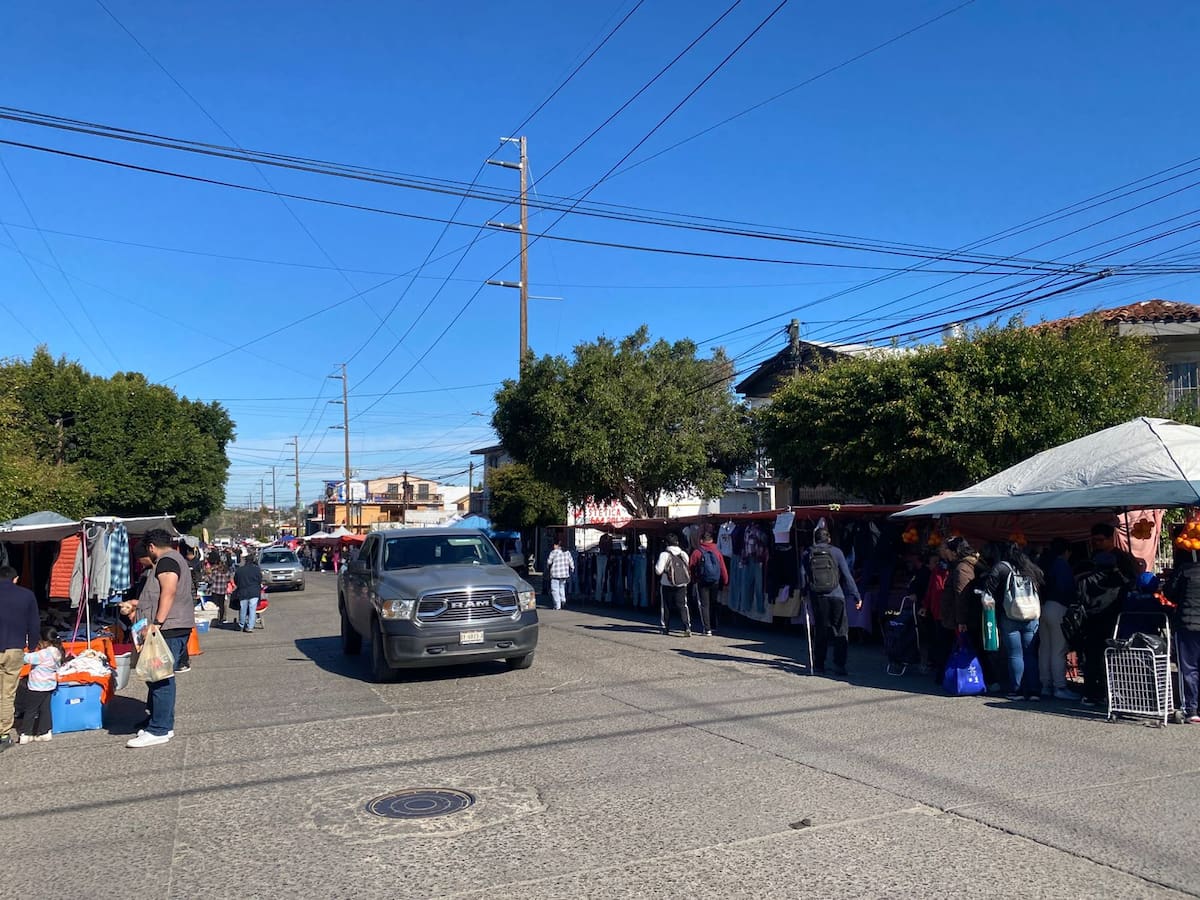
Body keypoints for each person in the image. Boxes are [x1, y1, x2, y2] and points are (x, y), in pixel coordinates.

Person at [120, 529, 194, 748]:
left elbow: (168, 591)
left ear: (151, 547)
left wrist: (157, 622)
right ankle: (159, 722)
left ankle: (160, 728)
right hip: (171, 626)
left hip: (168, 627)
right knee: (157, 677)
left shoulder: (166, 561)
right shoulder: (173, 559)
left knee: (160, 678)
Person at [1079, 523, 1138, 706]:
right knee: (1090, 655)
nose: (1096, 543)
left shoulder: (1123, 560)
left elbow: (1131, 583)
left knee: (1112, 654)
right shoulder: (1089, 559)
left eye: (1100, 540)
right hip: (1090, 615)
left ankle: (1110, 692)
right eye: (1094, 540)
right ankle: (1091, 692)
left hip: (1113, 615)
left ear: (1111, 538)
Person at [980, 542, 1043, 700]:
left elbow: (989, 590)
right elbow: (1042, 583)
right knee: (1030, 654)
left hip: (1010, 615)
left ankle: (1017, 690)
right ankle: (1034, 690)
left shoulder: (1001, 567)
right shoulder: (1030, 568)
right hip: (1031, 615)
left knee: (1015, 655)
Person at [801, 527, 860, 677]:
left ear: (815, 539)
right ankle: (839, 665)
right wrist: (856, 596)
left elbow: (803, 576)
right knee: (840, 630)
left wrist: (803, 593)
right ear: (829, 539)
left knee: (821, 630)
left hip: (818, 596)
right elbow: (847, 575)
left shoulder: (808, 553)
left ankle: (819, 664)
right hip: (837, 595)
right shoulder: (836, 552)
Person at [0, 564, 41, 753]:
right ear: (15, 579)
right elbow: (34, 624)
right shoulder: (26, 595)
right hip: (15, 648)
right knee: (7, 694)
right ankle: (3, 734)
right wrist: (32, 646)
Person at [1037, 538, 1081, 701]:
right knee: (1058, 649)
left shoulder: (1044, 562)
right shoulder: (1062, 565)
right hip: (1058, 607)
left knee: (1045, 649)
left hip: (1043, 607)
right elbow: (1066, 588)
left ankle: (1046, 685)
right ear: (1067, 551)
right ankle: (1059, 686)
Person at [939, 538, 981, 684]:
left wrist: (961, 620)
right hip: (963, 616)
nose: (946, 554)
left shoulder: (961, 568)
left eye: (948, 551)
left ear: (955, 552)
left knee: (964, 648)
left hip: (961, 618)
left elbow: (961, 595)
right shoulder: (966, 565)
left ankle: (964, 680)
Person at [1166, 547, 1200, 724]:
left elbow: (1169, 593)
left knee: (1189, 668)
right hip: (1189, 623)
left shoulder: (1185, 570)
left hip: (1187, 625)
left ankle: (1191, 709)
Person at [19, 626, 64, 743]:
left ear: (44, 641)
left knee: (31, 710)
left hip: (36, 686)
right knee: (45, 709)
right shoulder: (57, 652)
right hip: (49, 685)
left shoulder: (43, 654)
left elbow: (26, 659)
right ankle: (45, 731)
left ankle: (26, 734)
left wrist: (23, 651)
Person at [689, 529, 728, 636]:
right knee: (713, 603)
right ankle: (714, 625)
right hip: (715, 581)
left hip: (702, 581)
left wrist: (693, 579)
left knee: (704, 605)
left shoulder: (697, 552)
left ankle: (707, 629)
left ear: (702, 540)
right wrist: (725, 580)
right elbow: (722, 567)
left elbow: (691, 566)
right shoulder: (717, 551)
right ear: (712, 540)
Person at [655, 534, 692, 637]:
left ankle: (665, 627)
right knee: (683, 605)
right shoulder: (683, 554)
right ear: (677, 542)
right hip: (682, 584)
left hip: (667, 584)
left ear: (666, 543)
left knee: (666, 606)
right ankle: (687, 627)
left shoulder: (664, 554)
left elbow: (658, 571)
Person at [233, 552, 263, 632]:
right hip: (254, 591)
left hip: (243, 592)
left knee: (243, 609)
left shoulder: (240, 570)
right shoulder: (256, 569)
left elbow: (236, 581)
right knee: (252, 610)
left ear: (245, 560)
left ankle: (241, 625)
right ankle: (250, 627)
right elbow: (260, 580)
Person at [546, 538, 574, 610]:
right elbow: (571, 562)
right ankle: (563, 601)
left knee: (555, 589)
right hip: (564, 574)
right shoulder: (567, 552)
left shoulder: (553, 552)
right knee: (562, 588)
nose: (553, 546)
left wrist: (548, 567)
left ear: (556, 545)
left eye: (554, 545)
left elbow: (549, 562)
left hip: (555, 573)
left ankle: (557, 605)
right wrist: (572, 569)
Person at [206, 550, 231, 626]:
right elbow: (228, 579)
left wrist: (208, 576)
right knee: (222, 605)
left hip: (215, 590)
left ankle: (215, 619)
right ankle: (221, 619)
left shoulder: (215, 571)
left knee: (215, 605)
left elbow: (211, 580)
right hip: (223, 590)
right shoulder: (226, 571)